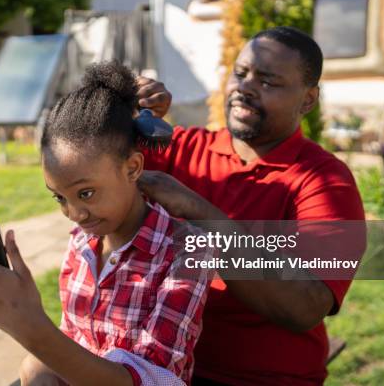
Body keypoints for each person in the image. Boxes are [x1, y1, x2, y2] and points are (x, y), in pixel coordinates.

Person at [0, 61, 212, 386]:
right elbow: (76, 342)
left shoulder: (184, 252)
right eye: (59, 198)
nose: (75, 214)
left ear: (132, 168)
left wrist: (29, 326)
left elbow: (154, 381)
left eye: (86, 193)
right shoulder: (80, 242)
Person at [134, 26, 366, 385]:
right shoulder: (181, 148)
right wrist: (128, 119)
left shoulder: (325, 182)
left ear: (307, 100)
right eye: (240, 74)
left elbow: (305, 305)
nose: (245, 87)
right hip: (156, 365)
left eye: (268, 82)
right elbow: (83, 183)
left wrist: (201, 213)